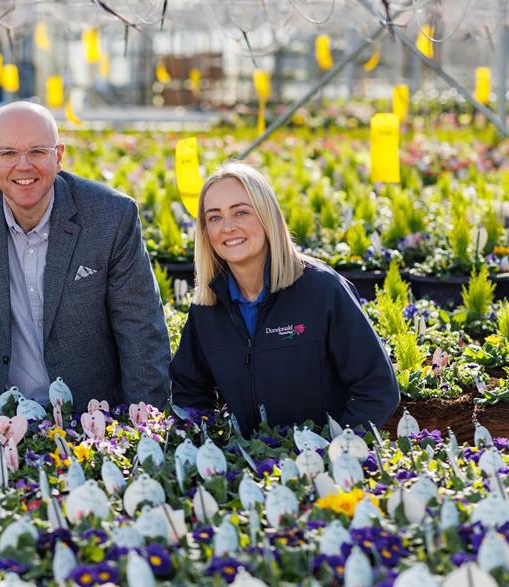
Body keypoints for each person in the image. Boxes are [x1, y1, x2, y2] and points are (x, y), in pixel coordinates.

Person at [0, 101, 170, 410]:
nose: (23, 165)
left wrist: (146, 428)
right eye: (8, 153)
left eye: (38, 151)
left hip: (91, 420)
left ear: (59, 156)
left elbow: (140, 331)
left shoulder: (110, 216)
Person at [170, 161, 399, 436]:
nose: (228, 227)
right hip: (247, 468)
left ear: (267, 217)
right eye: (215, 217)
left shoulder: (322, 290)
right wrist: (214, 446)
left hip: (321, 472)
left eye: (241, 212)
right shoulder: (207, 307)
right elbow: (188, 390)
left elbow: (378, 389)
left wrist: (333, 450)